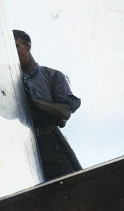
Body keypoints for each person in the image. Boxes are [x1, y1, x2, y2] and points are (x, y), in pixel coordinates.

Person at [13, 29, 82, 180]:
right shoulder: (11, 79)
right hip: (19, 147)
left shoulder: (54, 76)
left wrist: (36, 103)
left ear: (28, 47)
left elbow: (65, 111)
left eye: (16, 46)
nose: (13, 52)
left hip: (51, 143)